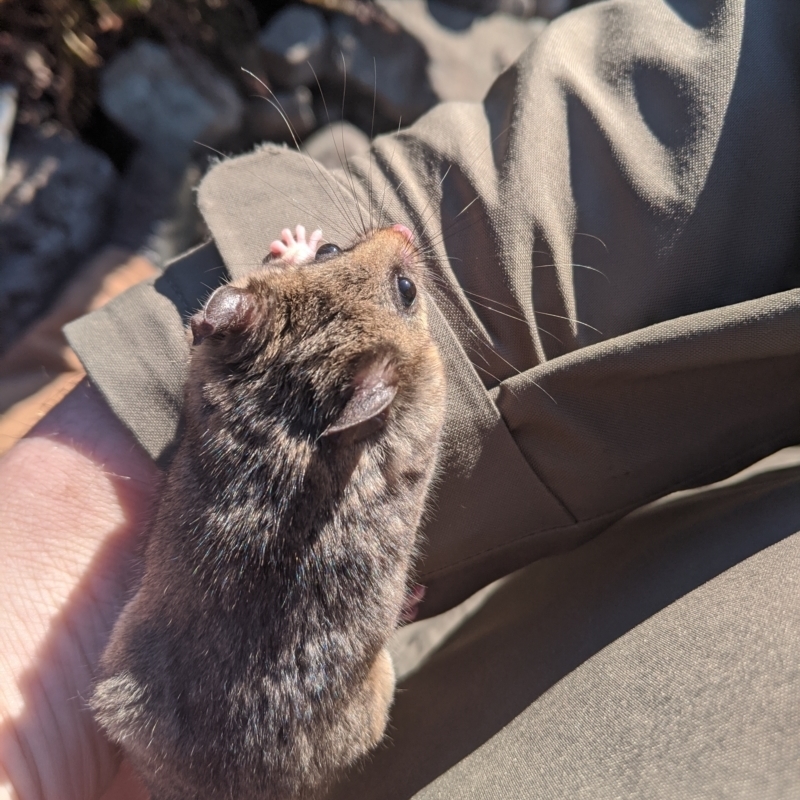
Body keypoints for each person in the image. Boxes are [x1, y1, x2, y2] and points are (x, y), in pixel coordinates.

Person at [2, 0, 799, 797]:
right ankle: (121, 265)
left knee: (44, 375)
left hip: (273, 722)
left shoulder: (342, 389)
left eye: (401, 282)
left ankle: (121, 262)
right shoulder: (366, 398)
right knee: (52, 382)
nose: (398, 239)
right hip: (320, 725)